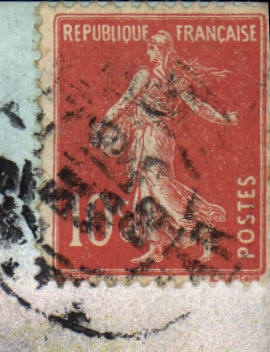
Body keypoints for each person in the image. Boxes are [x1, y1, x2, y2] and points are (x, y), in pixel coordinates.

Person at [93, 30, 238, 266]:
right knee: (145, 195)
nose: (148, 51)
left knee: (160, 188)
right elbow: (124, 101)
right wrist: (103, 125)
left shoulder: (171, 80)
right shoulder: (147, 76)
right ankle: (157, 247)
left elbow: (197, 106)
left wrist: (223, 119)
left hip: (157, 137)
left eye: (152, 47)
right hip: (141, 138)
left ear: (162, 50)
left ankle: (199, 225)